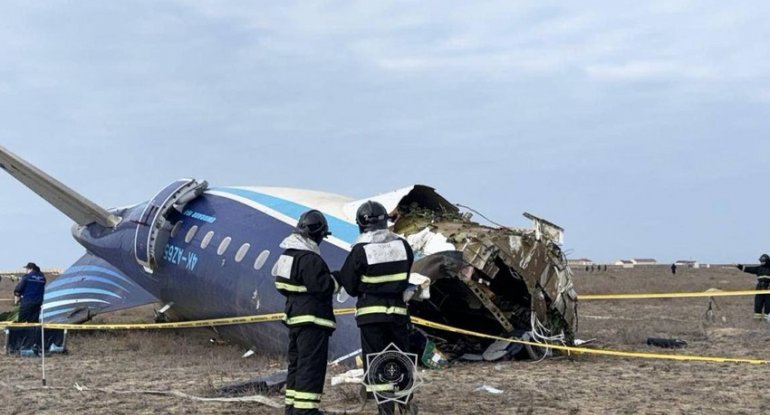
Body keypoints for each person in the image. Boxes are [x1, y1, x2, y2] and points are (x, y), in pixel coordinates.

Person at [337, 201, 415, 415]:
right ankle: (406, 403)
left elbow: (350, 285)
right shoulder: (403, 247)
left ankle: (386, 409)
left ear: (361, 225)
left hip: (371, 316)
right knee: (401, 358)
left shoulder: (360, 250)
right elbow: (406, 276)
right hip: (398, 313)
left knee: (377, 362)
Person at [273, 210, 338, 415]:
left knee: (297, 364)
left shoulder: (286, 257)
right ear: (318, 234)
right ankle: (306, 410)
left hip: (294, 319)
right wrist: (337, 279)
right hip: (313, 321)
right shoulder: (311, 259)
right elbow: (323, 287)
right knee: (311, 366)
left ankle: (292, 408)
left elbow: (281, 285)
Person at [737, 254, 770, 321]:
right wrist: (739, 266)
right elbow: (748, 269)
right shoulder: (758, 269)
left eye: (763, 261)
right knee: (758, 304)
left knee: (768, 306)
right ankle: (757, 321)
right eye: (761, 261)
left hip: (768, 290)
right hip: (759, 289)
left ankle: (767, 321)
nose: (762, 262)